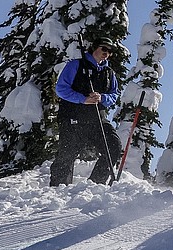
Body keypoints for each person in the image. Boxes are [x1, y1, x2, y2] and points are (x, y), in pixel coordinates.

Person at [50, 37, 123, 186]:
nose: (106, 53)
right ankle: (58, 188)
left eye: (109, 51)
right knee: (67, 153)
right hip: (73, 117)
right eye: (104, 49)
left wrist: (102, 97)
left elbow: (114, 95)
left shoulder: (109, 73)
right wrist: (82, 99)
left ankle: (95, 185)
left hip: (97, 118)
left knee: (113, 146)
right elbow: (61, 89)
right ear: (95, 47)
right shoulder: (75, 65)